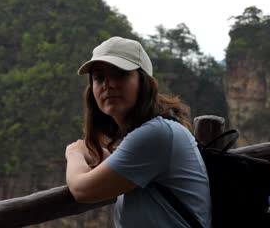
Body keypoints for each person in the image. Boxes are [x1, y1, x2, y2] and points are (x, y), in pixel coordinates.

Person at [65, 36, 211, 227]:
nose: (108, 85)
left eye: (120, 74)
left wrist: (74, 153)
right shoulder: (159, 130)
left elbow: (82, 190)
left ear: (144, 82)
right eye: (99, 78)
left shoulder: (155, 134)